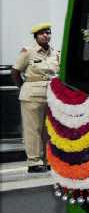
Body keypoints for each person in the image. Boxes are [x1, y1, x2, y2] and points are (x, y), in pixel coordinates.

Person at [11, 23, 59, 173]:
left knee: (49, 130)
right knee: (33, 129)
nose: (46, 35)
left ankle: (48, 160)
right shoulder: (28, 51)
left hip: (51, 95)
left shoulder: (55, 52)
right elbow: (15, 72)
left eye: (48, 32)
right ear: (36, 36)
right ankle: (34, 162)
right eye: (42, 33)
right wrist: (23, 87)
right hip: (32, 95)